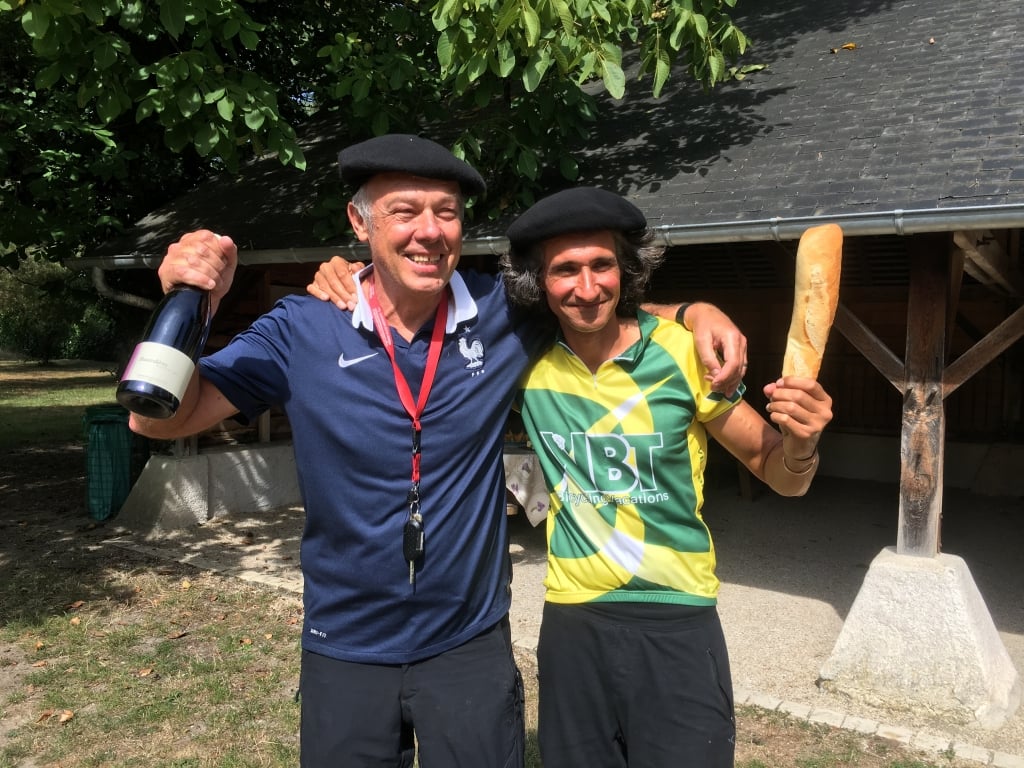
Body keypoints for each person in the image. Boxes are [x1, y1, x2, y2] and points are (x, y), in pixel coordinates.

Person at [130, 135, 749, 768]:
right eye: (404, 211)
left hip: (469, 646)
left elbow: (596, 308)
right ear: (359, 222)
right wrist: (190, 302)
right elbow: (157, 420)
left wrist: (696, 312)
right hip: (344, 645)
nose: (429, 231)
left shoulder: (500, 313)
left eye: (446, 212)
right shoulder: (303, 326)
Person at [502, 187, 834, 767]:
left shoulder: (684, 353)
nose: (587, 287)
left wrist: (802, 444)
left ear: (625, 270)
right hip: (573, 620)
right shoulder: (524, 359)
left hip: (678, 619)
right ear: (539, 282)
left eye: (603, 264)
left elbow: (777, 472)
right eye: (566, 270)